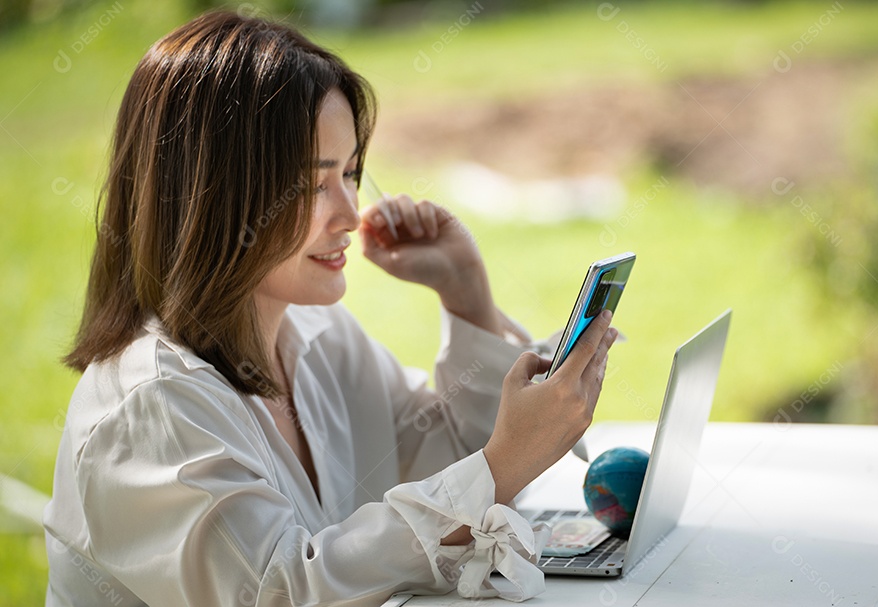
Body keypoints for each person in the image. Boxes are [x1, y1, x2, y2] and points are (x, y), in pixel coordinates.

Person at [43, 11, 618, 606]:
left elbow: (441, 472)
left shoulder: (314, 333)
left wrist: (467, 295)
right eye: (313, 185)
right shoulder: (150, 408)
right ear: (212, 194)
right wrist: (502, 465)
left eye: (350, 174)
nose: (350, 212)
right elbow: (281, 591)